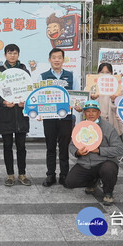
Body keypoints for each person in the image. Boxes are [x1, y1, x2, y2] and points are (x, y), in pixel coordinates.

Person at [65, 100, 123, 206]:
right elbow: (72, 145)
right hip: (85, 163)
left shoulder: (108, 128)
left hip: (105, 162)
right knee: (70, 182)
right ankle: (93, 181)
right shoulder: (80, 127)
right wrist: (78, 152)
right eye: (88, 111)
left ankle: (108, 192)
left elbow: (119, 149)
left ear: (99, 113)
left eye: (94, 111)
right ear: (84, 113)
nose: (91, 114)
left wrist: (99, 150)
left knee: (108, 170)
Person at [0, 44, 32, 186]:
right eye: (10, 53)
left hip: (21, 115)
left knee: (21, 146)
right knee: (7, 146)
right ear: (5, 55)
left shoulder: (24, 70)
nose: (12, 55)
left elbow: (29, 90)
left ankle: (22, 174)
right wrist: (3, 102)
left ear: (18, 54)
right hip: (6, 115)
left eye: (15, 53)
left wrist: (25, 102)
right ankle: (10, 175)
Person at [39, 47, 77, 187]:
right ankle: (50, 175)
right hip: (49, 118)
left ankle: (64, 175)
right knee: (50, 147)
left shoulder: (71, 76)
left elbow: (76, 95)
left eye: (59, 57)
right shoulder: (42, 77)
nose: (56, 60)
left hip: (66, 118)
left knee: (64, 148)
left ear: (63, 59)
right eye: (54, 57)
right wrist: (38, 112)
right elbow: (38, 96)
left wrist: (78, 105)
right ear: (50, 60)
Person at [90, 63, 123, 137]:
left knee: (114, 145)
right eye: (102, 72)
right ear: (98, 73)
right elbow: (85, 106)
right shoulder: (91, 86)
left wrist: (114, 100)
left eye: (107, 72)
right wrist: (92, 99)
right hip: (96, 124)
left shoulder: (120, 88)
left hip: (113, 124)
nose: (104, 74)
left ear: (112, 73)